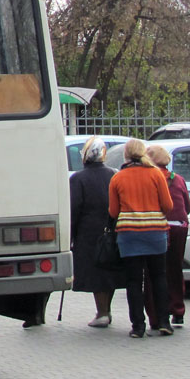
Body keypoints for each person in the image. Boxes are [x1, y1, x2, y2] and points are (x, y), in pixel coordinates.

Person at [108, 138, 173, 338]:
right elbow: (168, 206)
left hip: (129, 235)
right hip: (155, 232)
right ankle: (163, 321)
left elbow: (113, 212)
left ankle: (138, 326)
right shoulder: (155, 174)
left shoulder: (118, 178)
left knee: (133, 281)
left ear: (126, 155)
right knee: (159, 278)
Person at [69, 137, 125, 327]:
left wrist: (71, 234)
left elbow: (74, 208)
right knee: (108, 270)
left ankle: (102, 312)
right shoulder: (114, 175)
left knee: (96, 272)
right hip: (112, 228)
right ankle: (105, 310)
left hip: (88, 233)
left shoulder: (78, 179)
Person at [144, 144, 190, 328]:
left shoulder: (150, 178)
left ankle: (156, 314)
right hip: (178, 227)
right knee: (175, 269)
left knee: (153, 273)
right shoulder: (177, 179)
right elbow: (187, 206)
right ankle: (178, 310)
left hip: (157, 227)